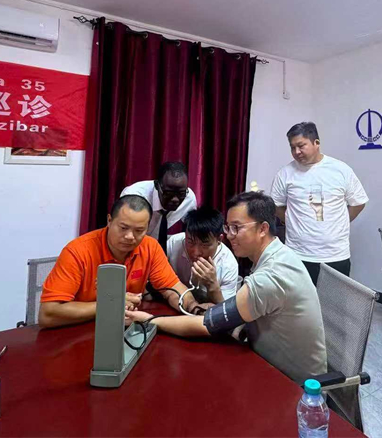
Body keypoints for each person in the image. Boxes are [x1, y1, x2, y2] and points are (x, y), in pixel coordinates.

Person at [126, 192, 327, 384]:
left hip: (293, 384)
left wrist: (150, 320)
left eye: (236, 228)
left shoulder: (271, 276)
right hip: (263, 361)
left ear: (263, 229)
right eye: (228, 227)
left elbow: (208, 325)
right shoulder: (278, 255)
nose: (230, 236)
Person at [38, 194, 202, 328]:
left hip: (126, 328)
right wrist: (111, 304)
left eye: (139, 230)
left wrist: (194, 308)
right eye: (123, 228)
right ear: (109, 221)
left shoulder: (150, 247)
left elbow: (173, 290)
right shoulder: (77, 251)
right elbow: (48, 314)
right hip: (79, 329)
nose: (130, 237)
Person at [271, 121, 368, 285]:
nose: (296, 152)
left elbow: (358, 202)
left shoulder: (340, 170)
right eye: (292, 147)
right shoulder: (285, 174)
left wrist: (340, 221)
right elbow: (276, 205)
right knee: (299, 300)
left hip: (335, 254)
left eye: (301, 146)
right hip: (298, 254)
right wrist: (292, 221)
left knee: (334, 300)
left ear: (316, 143)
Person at [166, 206, 239, 304]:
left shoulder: (228, 264)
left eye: (205, 245)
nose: (196, 252)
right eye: (190, 242)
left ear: (219, 240)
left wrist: (212, 285)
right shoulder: (173, 244)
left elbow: (225, 310)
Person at [121, 161, 198, 252]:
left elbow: (192, 232)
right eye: (168, 193)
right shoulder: (134, 196)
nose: (175, 199)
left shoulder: (189, 199)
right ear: (157, 186)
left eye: (181, 193)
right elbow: (124, 232)